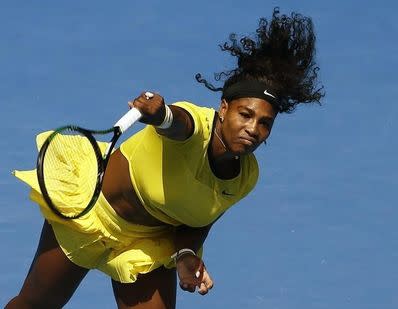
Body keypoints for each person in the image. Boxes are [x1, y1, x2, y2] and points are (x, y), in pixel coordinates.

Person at [6, 7, 324, 309]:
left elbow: (198, 220)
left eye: (265, 123)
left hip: (146, 243)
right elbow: (177, 123)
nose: (253, 129)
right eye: (245, 115)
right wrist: (161, 114)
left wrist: (186, 255)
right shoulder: (197, 126)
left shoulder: (244, 177)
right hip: (92, 215)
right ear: (224, 108)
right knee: (34, 305)